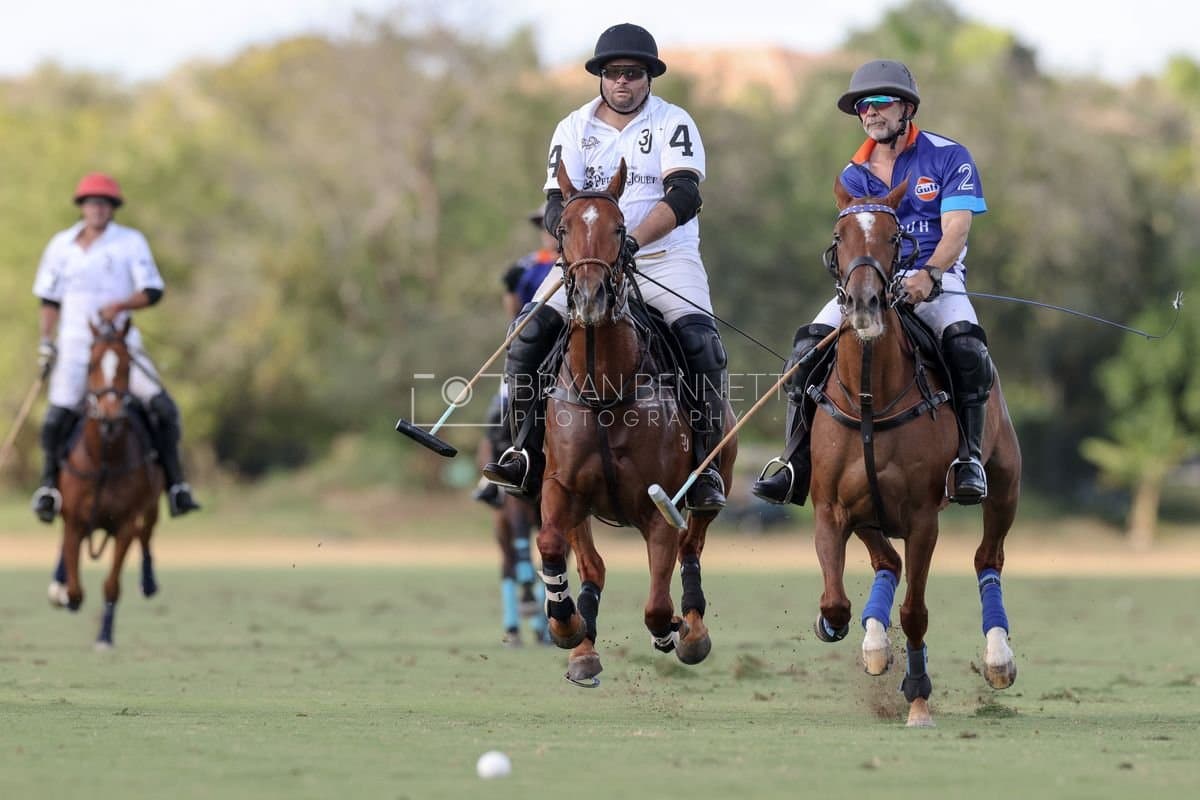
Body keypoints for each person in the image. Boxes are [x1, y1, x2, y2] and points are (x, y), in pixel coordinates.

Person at [483, 22, 729, 511]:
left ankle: (704, 468)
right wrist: (582, 247)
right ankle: (524, 453)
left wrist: (632, 240)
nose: (623, 82)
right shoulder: (573, 127)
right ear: (600, 76)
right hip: (587, 263)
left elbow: (685, 194)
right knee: (527, 335)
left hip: (663, 258)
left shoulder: (671, 122)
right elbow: (555, 205)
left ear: (648, 78)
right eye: (614, 72)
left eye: (633, 73)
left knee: (701, 345)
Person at [752, 59, 993, 507]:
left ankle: (969, 459)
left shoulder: (948, 156)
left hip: (934, 279)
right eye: (863, 106)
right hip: (868, 284)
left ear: (906, 108)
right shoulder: (852, 174)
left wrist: (930, 275)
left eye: (880, 103)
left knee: (967, 346)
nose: (870, 113)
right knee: (805, 349)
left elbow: (956, 229)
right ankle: (793, 462)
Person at [31, 172, 201, 523]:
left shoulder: (130, 242)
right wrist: (46, 343)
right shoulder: (60, 246)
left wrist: (122, 306)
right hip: (76, 346)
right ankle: (48, 488)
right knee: (54, 419)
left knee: (164, 408)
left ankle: (176, 486)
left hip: (121, 345)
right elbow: (49, 299)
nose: (97, 209)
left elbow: (152, 290)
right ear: (82, 207)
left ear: (112, 209)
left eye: (104, 203)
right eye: (92, 203)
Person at [472, 204, 558, 508]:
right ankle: (497, 476)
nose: (549, 231)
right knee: (500, 409)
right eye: (545, 225)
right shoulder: (524, 269)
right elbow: (514, 313)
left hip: (568, 351)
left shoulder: (588, 264)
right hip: (533, 356)